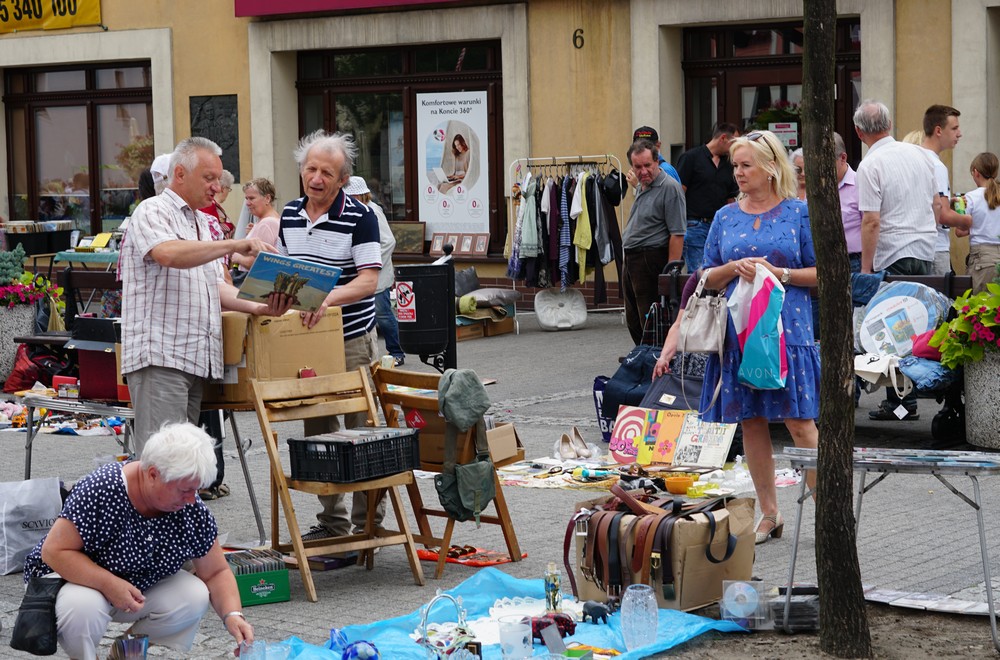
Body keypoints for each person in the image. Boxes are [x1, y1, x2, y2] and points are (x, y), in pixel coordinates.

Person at [22, 423, 254, 659]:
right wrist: (108, 584)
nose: (191, 500)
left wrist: (233, 615)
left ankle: (124, 653)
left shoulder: (190, 508)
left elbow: (215, 572)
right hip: (76, 581)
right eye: (185, 490)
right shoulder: (103, 489)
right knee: (82, 608)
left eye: (196, 490)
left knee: (193, 596)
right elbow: (55, 551)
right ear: (153, 474)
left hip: (137, 586)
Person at [121, 137, 289, 455]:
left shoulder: (203, 222)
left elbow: (217, 286)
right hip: (162, 357)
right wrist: (234, 244)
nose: (217, 187)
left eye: (219, 178)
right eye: (209, 178)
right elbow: (168, 253)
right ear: (180, 174)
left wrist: (261, 305)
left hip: (196, 360)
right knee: (162, 463)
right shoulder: (152, 210)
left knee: (184, 464)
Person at [698, 129, 819, 545]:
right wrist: (734, 268)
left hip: (787, 331)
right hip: (740, 332)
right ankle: (769, 513)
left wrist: (778, 273)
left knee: (800, 423)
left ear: (770, 167)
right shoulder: (725, 217)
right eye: (735, 165)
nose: (738, 173)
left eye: (746, 165)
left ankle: (828, 514)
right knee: (751, 421)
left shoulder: (798, 213)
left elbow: (822, 272)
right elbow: (705, 276)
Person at [274, 131, 384, 542]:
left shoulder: (360, 216)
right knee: (319, 431)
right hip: (309, 342)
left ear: (342, 179)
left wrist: (326, 298)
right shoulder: (289, 213)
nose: (316, 179)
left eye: (327, 173)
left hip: (353, 338)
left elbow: (368, 281)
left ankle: (368, 526)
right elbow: (285, 270)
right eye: (311, 169)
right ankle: (333, 525)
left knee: (363, 431)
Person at [854, 100, 940, 421]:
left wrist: (866, 268)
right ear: (889, 125)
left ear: (859, 132)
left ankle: (902, 402)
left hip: (892, 252)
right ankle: (909, 396)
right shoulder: (922, 155)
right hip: (924, 249)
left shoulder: (870, 165)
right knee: (917, 325)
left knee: (893, 330)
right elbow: (936, 205)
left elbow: (871, 221)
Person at [621, 138, 686, 345]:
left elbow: (677, 233)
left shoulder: (670, 187)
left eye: (647, 165)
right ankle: (642, 355)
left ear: (657, 162)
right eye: (637, 167)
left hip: (650, 258)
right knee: (633, 318)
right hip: (632, 258)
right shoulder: (644, 185)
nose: (643, 171)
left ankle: (655, 357)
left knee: (650, 319)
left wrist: (670, 273)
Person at [344, 175, 405, 365]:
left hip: (377, 274)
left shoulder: (373, 211)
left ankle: (397, 351)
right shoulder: (356, 211)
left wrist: (369, 262)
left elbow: (389, 241)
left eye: (351, 197)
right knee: (372, 314)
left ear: (360, 196)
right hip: (365, 275)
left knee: (383, 315)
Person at [675, 122, 741, 272]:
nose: (736, 147)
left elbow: (730, 198)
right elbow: (679, 193)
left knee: (719, 268)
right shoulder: (691, 158)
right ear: (723, 138)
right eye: (735, 142)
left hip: (719, 225)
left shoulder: (730, 164)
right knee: (699, 270)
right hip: (695, 224)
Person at [919, 105, 967, 275]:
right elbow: (943, 215)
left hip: (917, 248)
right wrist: (971, 220)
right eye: (954, 128)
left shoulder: (914, 159)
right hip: (936, 247)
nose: (959, 134)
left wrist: (947, 203)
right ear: (938, 130)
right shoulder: (937, 166)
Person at [956, 152, 999, 293]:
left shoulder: (971, 198)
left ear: (976, 172)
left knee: (980, 302)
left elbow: (959, 231)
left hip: (982, 258)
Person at [230, 177, 281, 276]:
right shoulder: (269, 220)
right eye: (246, 198)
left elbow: (259, 263)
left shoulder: (267, 223)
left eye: (252, 198)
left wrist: (238, 257)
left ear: (267, 198)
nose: (247, 203)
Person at [833, 132, 863, 273]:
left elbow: (872, 224)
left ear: (843, 158)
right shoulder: (815, 189)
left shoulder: (860, 184)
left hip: (854, 262)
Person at [199, 169, 236, 238]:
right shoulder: (209, 206)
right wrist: (229, 226)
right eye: (228, 189)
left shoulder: (213, 205)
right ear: (223, 189)